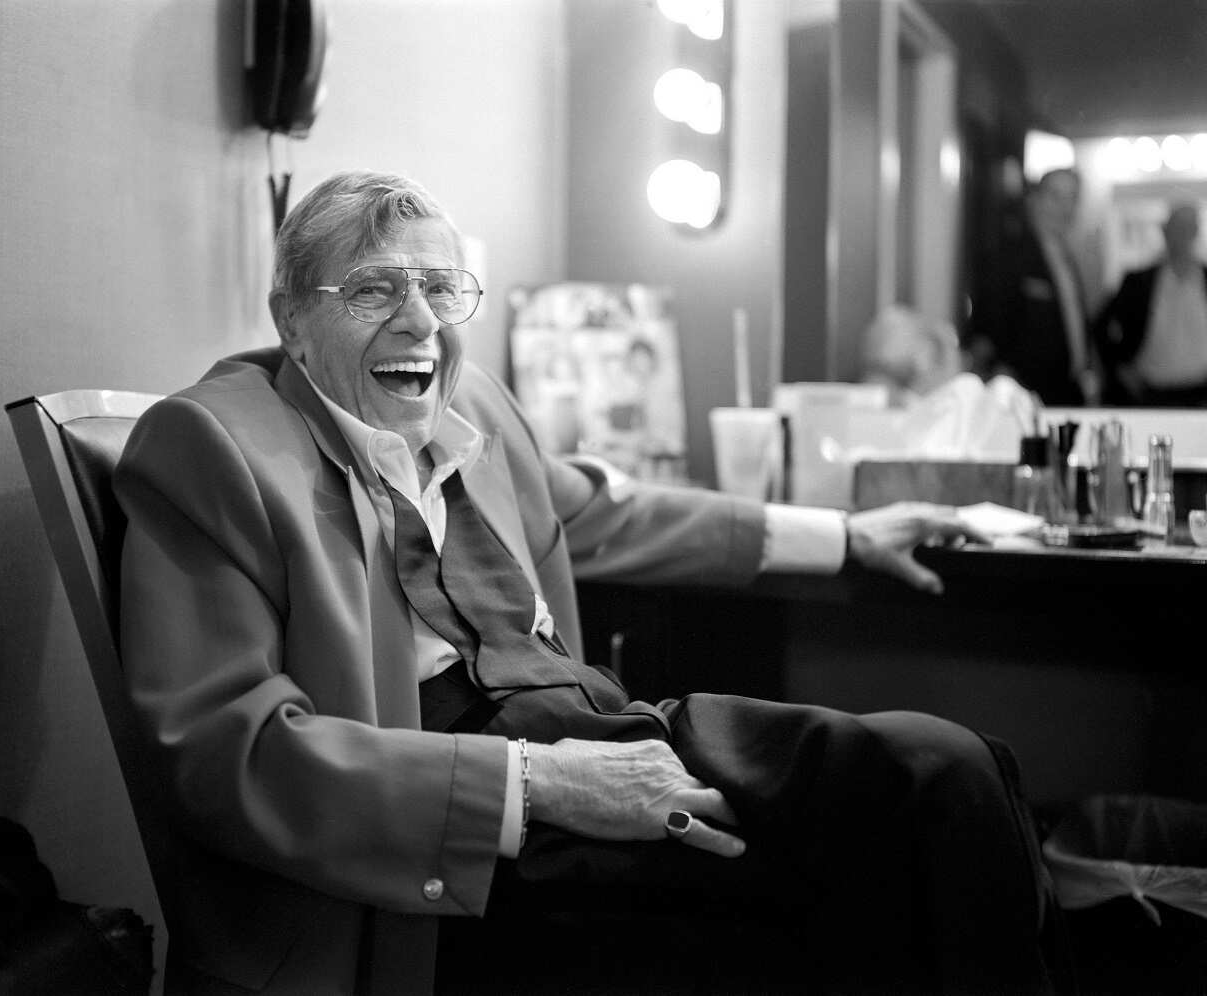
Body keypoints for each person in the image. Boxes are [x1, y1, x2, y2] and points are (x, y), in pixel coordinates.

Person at [115, 170, 1061, 995]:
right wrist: (541, 784)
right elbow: (225, 756)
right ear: (292, 319)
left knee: (950, 768)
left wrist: (845, 536)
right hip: (456, 839)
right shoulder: (214, 445)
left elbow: (609, 512)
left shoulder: (470, 401)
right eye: (373, 291)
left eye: (442, 288)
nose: (421, 323)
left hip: (602, 731)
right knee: (892, 851)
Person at [969, 167, 1101, 406]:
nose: (1065, 207)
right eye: (1056, 197)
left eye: (1072, 198)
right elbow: (990, 327)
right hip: (1026, 395)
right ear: (1036, 200)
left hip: (1067, 391)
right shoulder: (1009, 255)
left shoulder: (1067, 257)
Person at [1093, 201, 1207, 406]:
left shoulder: (1204, 278)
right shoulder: (1139, 281)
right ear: (1165, 231)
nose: (1182, 235)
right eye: (1177, 228)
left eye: (1189, 228)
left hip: (1201, 392)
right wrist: (1120, 368)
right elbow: (1100, 326)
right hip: (1152, 392)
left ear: (1197, 231)